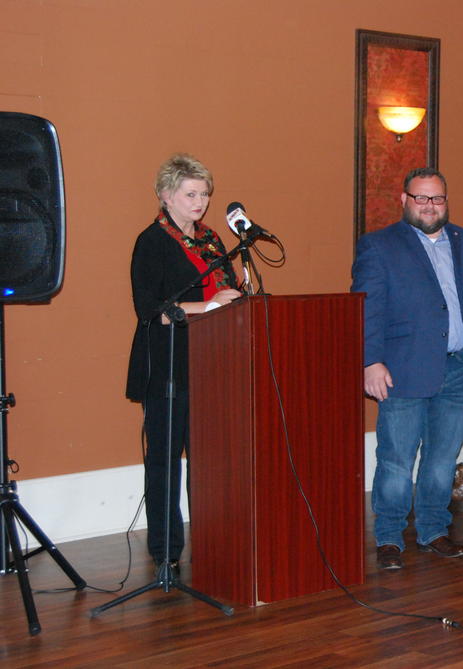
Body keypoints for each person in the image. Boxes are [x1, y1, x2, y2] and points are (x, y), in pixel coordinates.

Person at [351, 167, 463, 570]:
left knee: (443, 458)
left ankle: (433, 530)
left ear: (446, 201)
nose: (430, 206)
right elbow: (366, 308)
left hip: (459, 368)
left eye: (437, 199)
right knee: (396, 459)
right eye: (421, 198)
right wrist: (369, 361)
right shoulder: (378, 245)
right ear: (404, 199)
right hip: (403, 368)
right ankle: (390, 537)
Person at [126, 154, 241, 574]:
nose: (201, 201)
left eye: (205, 193)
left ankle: (212, 541)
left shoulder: (211, 239)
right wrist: (209, 304)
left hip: (212, 365)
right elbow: (149, 308)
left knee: (211, 460)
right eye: (191, 194)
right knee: (165, 460)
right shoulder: (151, 241)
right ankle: (166, 551)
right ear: (166, 196)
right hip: (168, 366)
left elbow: (228, 291)